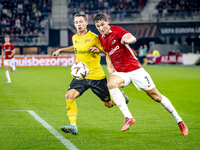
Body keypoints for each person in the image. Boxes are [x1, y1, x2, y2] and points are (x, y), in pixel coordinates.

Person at [92, 12, 188, 135]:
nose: (101, 28)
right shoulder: (102, 38)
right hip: (122, 72)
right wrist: (109, 66)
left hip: (136, 70)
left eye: (102, 25)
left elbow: (131, 37)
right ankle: (128, 117)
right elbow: (107, 52)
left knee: (156, 97)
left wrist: (127, 40)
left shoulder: (117, 30)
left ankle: (179, 120)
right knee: (111, 84)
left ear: (108, 22)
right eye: (98, 26)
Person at [52, 14, 128, 135]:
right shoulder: (75, 37)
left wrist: (99, 51)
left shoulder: (94, 37)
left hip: (96, 76)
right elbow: (75, 48)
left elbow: (107, 51)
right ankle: (73, 125)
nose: (79, 24)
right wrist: (61, 50)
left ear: (86, 23)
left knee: (108, 104)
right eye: (76, 22)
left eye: (81, 21)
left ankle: (120, 97)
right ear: (74, 24)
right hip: (81, 76)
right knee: (69, 96)